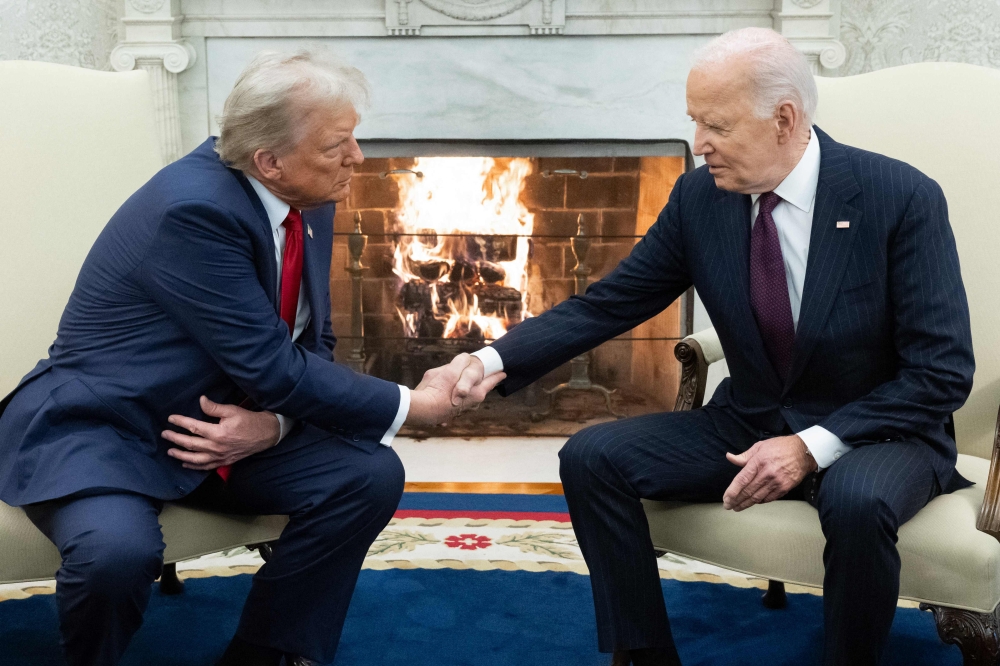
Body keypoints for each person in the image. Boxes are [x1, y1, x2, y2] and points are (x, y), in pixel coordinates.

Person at [452, 27, 974, 666]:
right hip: (751, 417)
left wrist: (810, 447)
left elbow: (941, 373)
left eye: (716, 126)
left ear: (784, 119)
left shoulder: (899, 197)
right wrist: (491, 359)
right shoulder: (701, 197)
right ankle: (642, 655)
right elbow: (611, 302)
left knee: (858, 501)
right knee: (593, 456)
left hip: (878, 431)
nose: (698, 145)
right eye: (695, 122)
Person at [0, 51, 500, 666]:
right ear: (270, 160)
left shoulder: (306, 191)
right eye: (337, 144)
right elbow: (274, 367)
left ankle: (266, 652)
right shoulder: (194, 211)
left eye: (353, 138)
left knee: (366, 475)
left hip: (218, 427)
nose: (358, 159)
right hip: (111, 429)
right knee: (116, 556)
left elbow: (310, 342)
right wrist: (413, 407)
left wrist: (275, 426)